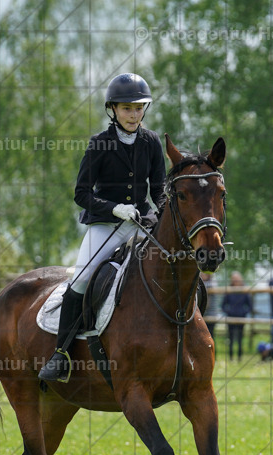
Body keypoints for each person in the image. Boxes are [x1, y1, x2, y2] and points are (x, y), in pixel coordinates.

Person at [38, 72, 165, 383]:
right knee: (81, 280)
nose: (133, 115)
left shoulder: (151, 142)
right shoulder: (99, 144)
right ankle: (61, 354)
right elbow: (81, 193)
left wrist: (160, 212)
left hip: (140, 223)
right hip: (106, 226)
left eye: (138, 108)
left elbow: (159, 188)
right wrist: (113, 208)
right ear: (114, 110)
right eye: (126, 109)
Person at [221, 271, 252, 360]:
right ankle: (231, 357)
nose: (236, 281)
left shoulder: (245, 290)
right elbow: (223, 305)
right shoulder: (229, 290)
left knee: (240, 338)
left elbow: (249, 306)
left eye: (237, 279)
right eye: (234, 279)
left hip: (241, 317)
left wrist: (244, 312)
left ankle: (239, 357)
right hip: (230, 317)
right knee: (230, 338)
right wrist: (228, 312)